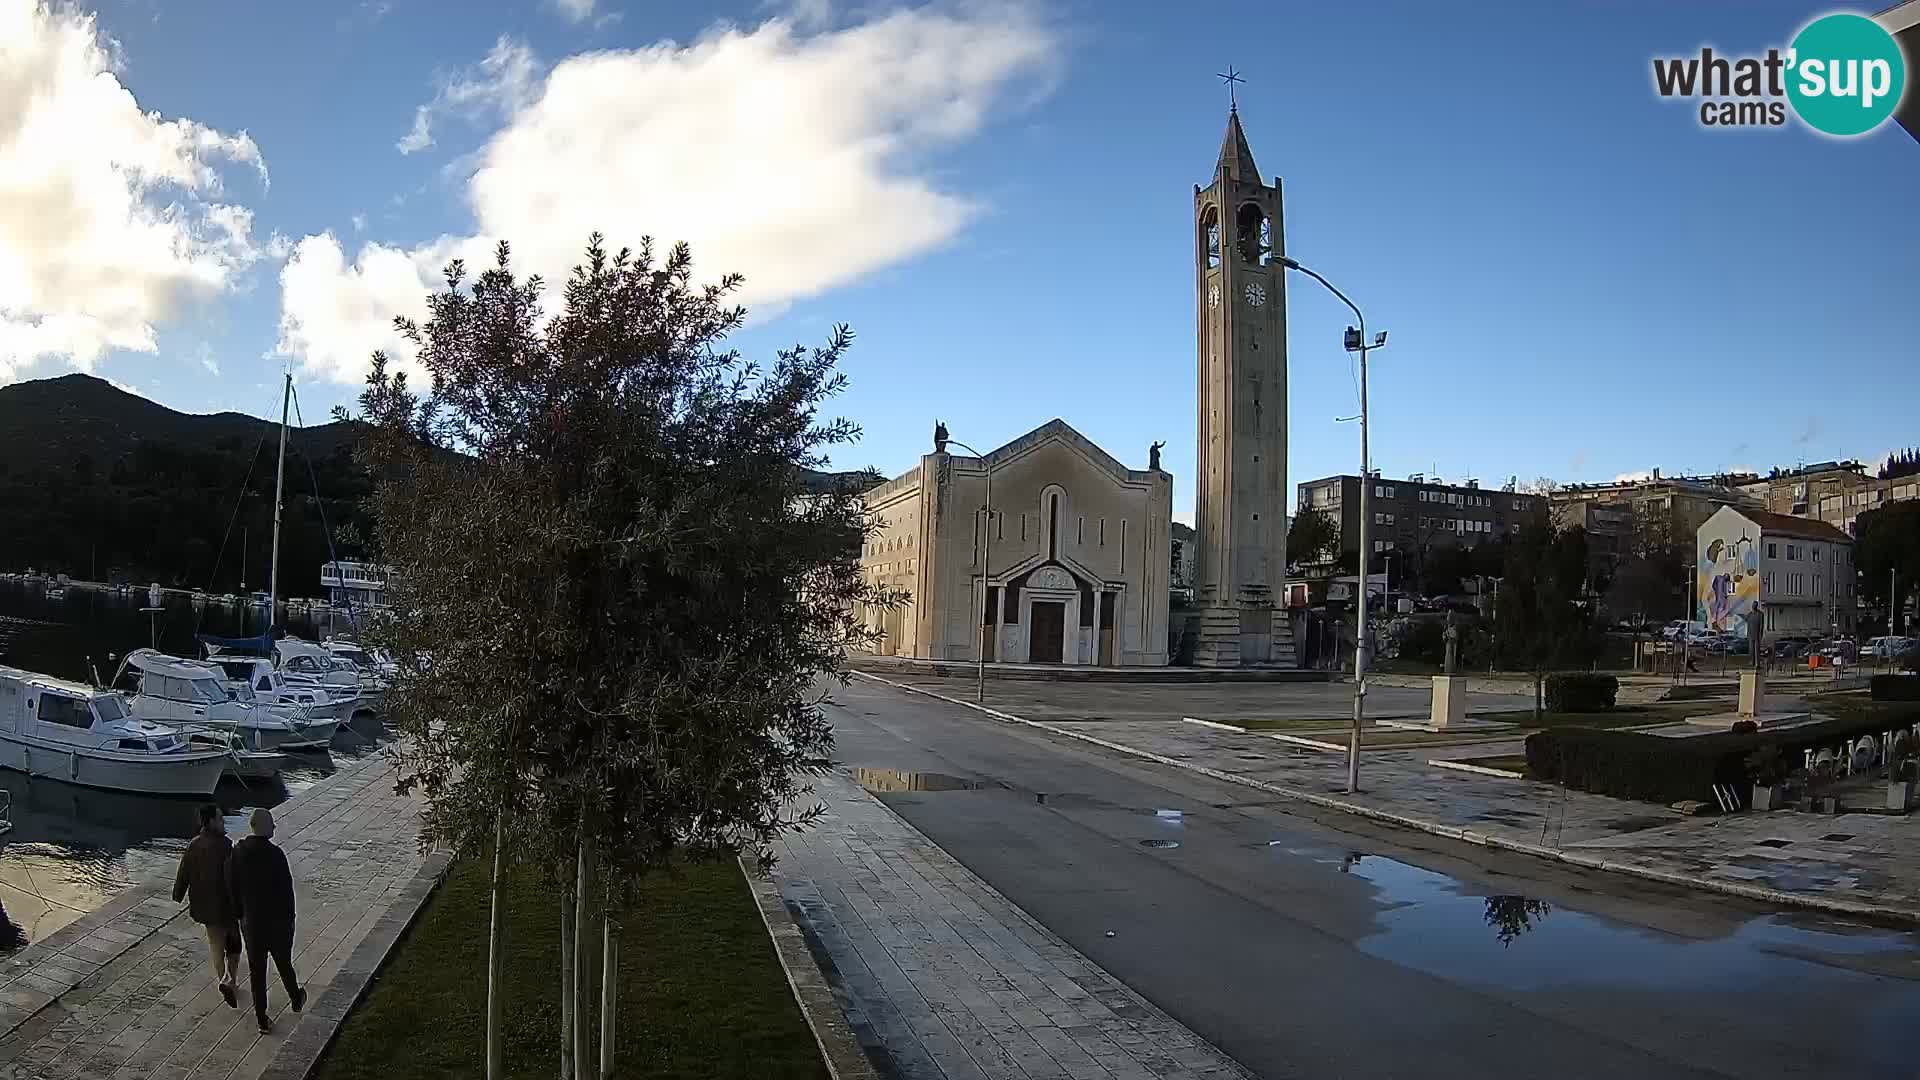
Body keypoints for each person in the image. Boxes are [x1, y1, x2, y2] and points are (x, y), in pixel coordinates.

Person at [227, 808, 305, 1033]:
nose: (274, 827)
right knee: (283, 962)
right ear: (265, 827)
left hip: (252, 923)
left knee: (257, 971)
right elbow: (286, 892)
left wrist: (239, 913)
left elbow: (232, 886)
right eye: (272, 823)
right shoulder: (276, 855)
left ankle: (262, 1019)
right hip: (277, 922)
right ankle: (295, 997)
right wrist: (290, 919)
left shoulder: (238, 853)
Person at [173, 804, 241, 1007]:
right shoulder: (225, 845)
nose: (223, 822)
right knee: (234, 946)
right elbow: (234, 877)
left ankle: (224, 980)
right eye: (220, 818)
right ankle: (231, 981)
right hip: (226, 906)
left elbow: (183, 872)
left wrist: (178, 894)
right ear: (211, 821)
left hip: (203, 905)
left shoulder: (194, 844)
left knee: (215, 945)